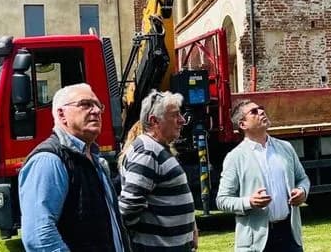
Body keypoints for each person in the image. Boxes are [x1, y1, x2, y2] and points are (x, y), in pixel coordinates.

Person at [19, 83, 129, 252]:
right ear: (61, 114)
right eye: (85, 104)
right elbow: (39, 237)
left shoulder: (95, 160)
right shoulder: (49, 160)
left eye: (98, 105)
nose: (96, 111)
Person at [216, 100, 310, 252]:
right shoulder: (235, 157)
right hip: (256, 242)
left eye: (261, 109)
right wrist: (249, 202)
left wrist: (302, 192)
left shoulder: (285, 148)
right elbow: (222, 200)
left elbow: (302, 179)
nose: (261, 112)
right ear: (243, 125)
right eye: (254, 112)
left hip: (289, 235)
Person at [118, 90, 198, 251]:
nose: (182, 120)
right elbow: (129, 207)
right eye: (175, 115)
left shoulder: (156, 148)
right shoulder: (147, 152)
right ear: (154, 121)